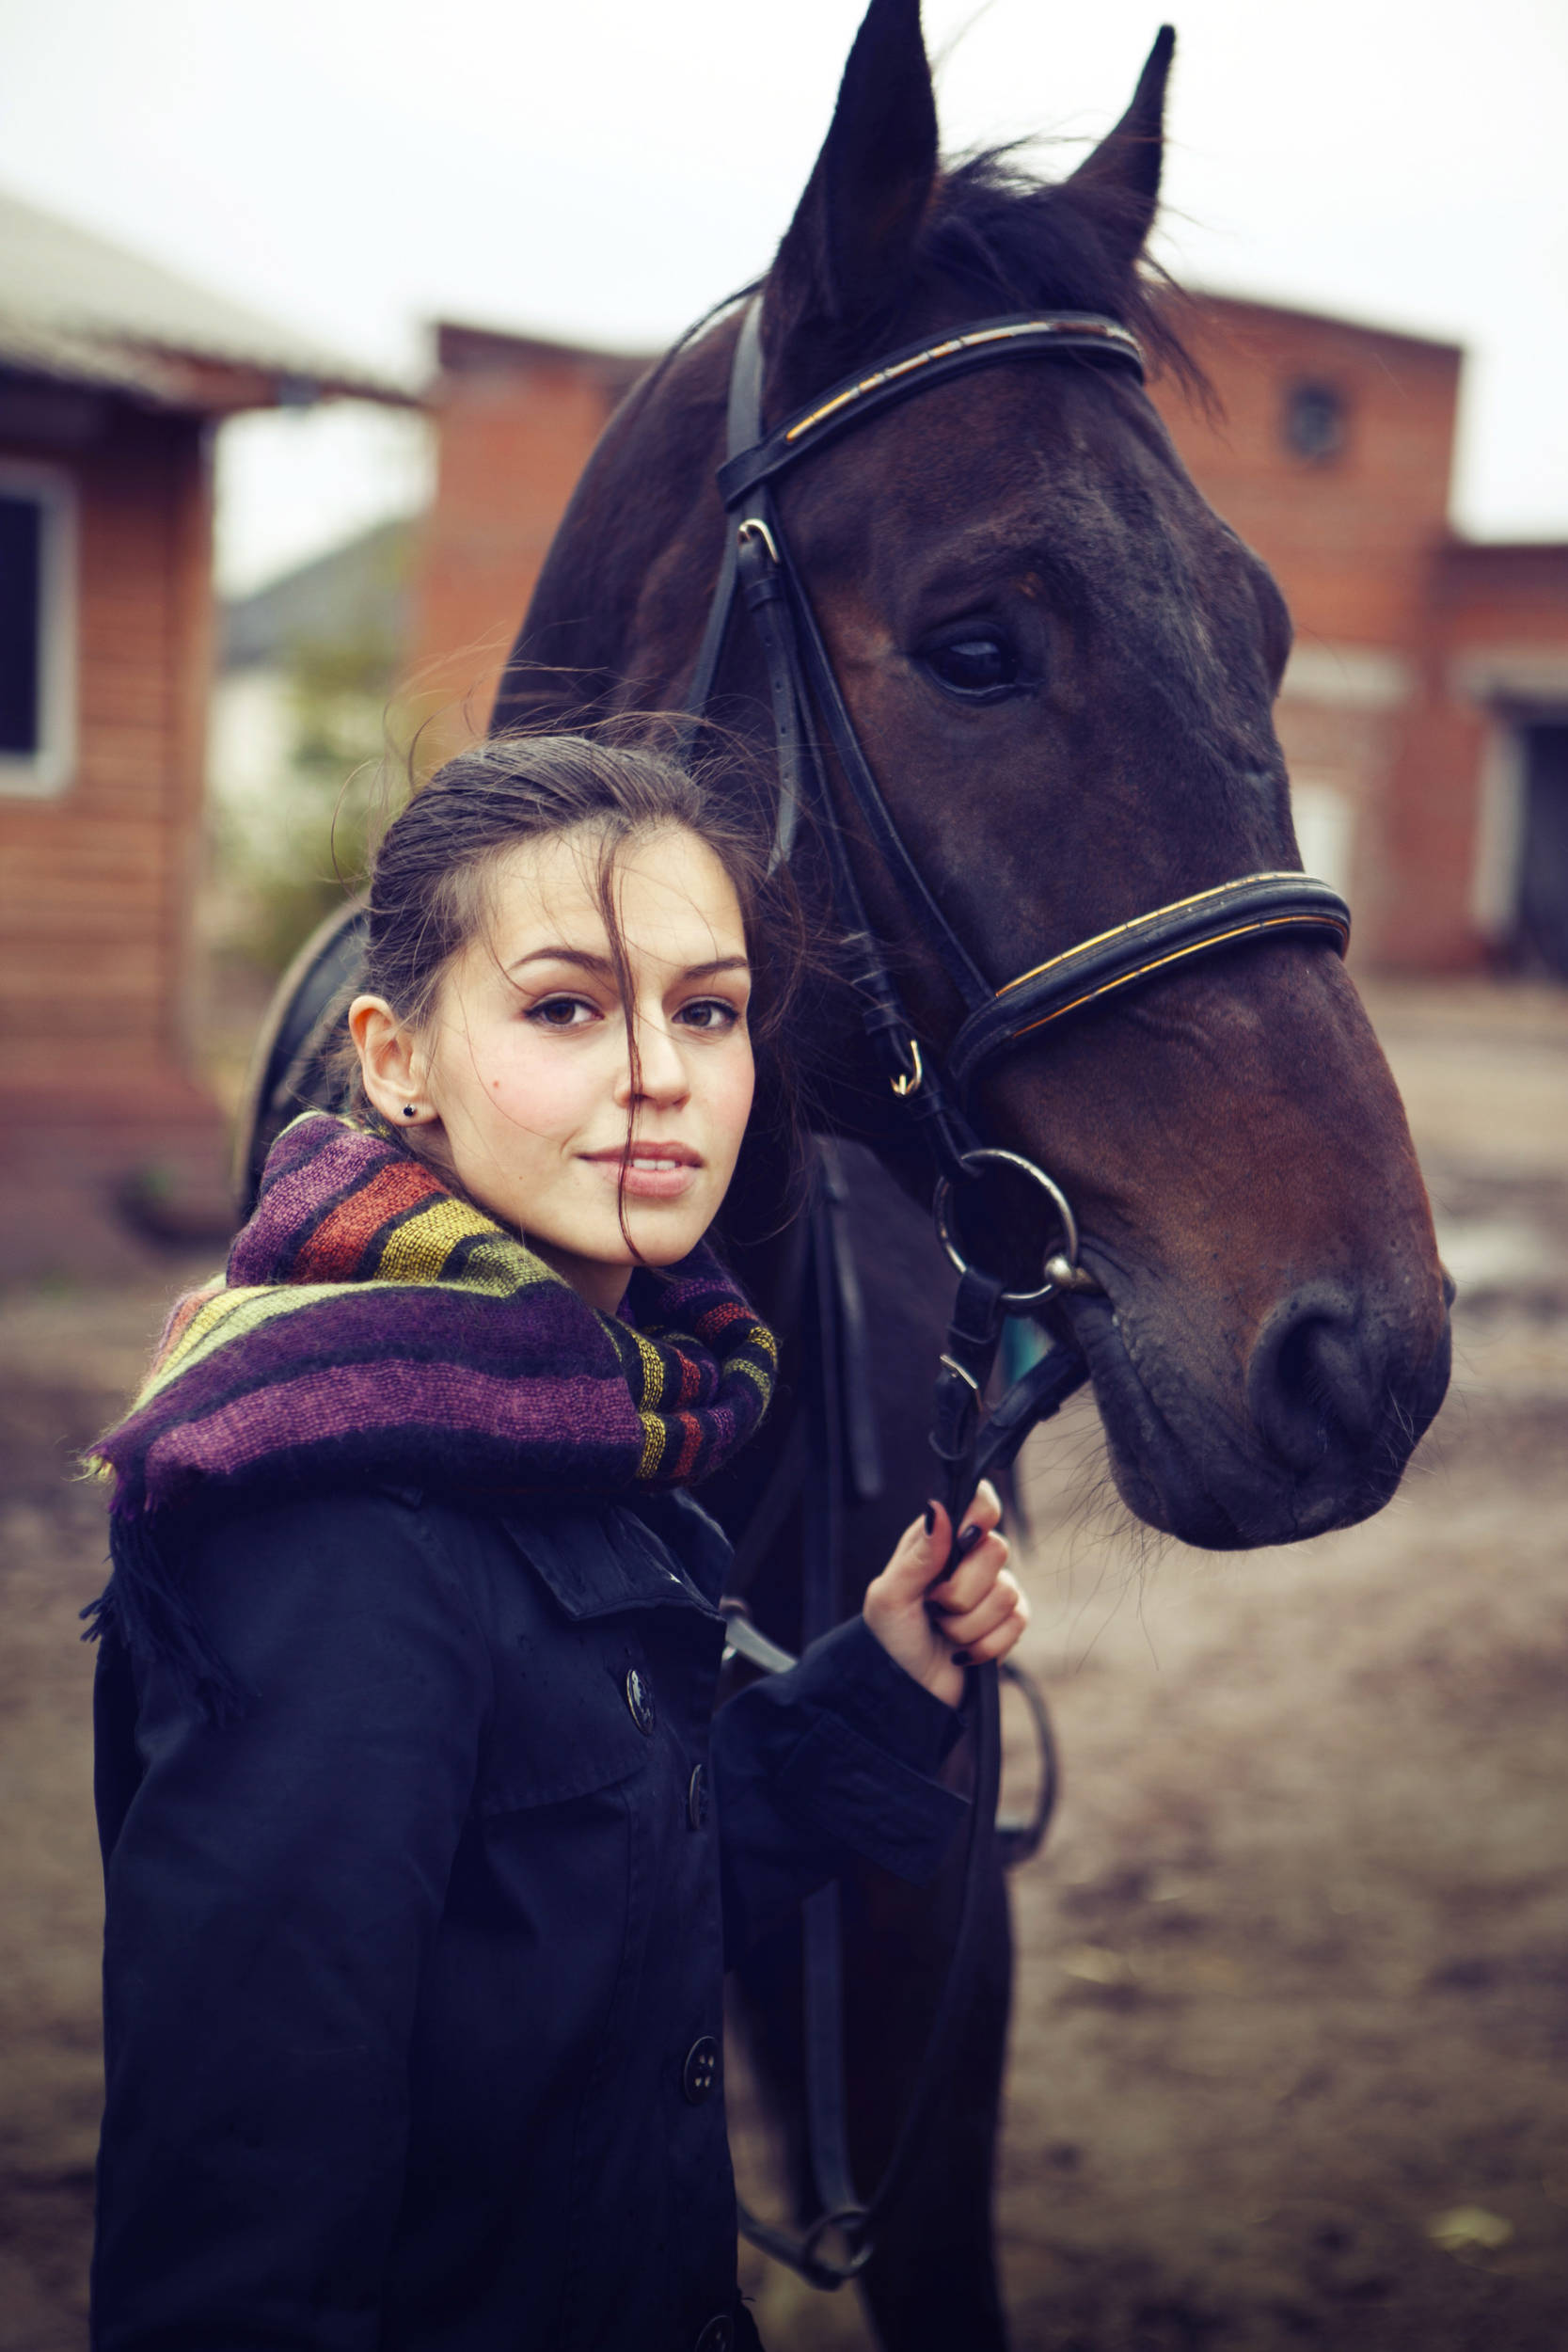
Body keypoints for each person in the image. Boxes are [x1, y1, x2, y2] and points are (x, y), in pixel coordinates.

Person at [86, 734, 1028, 2352]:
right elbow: (246, 2211)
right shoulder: (337, 1516)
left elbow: (581, 1909)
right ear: (397, 1060)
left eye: (709, 1010)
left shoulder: (599, 1415)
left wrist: (882, 1683)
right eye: (566, 1007)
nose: (661, 1073)